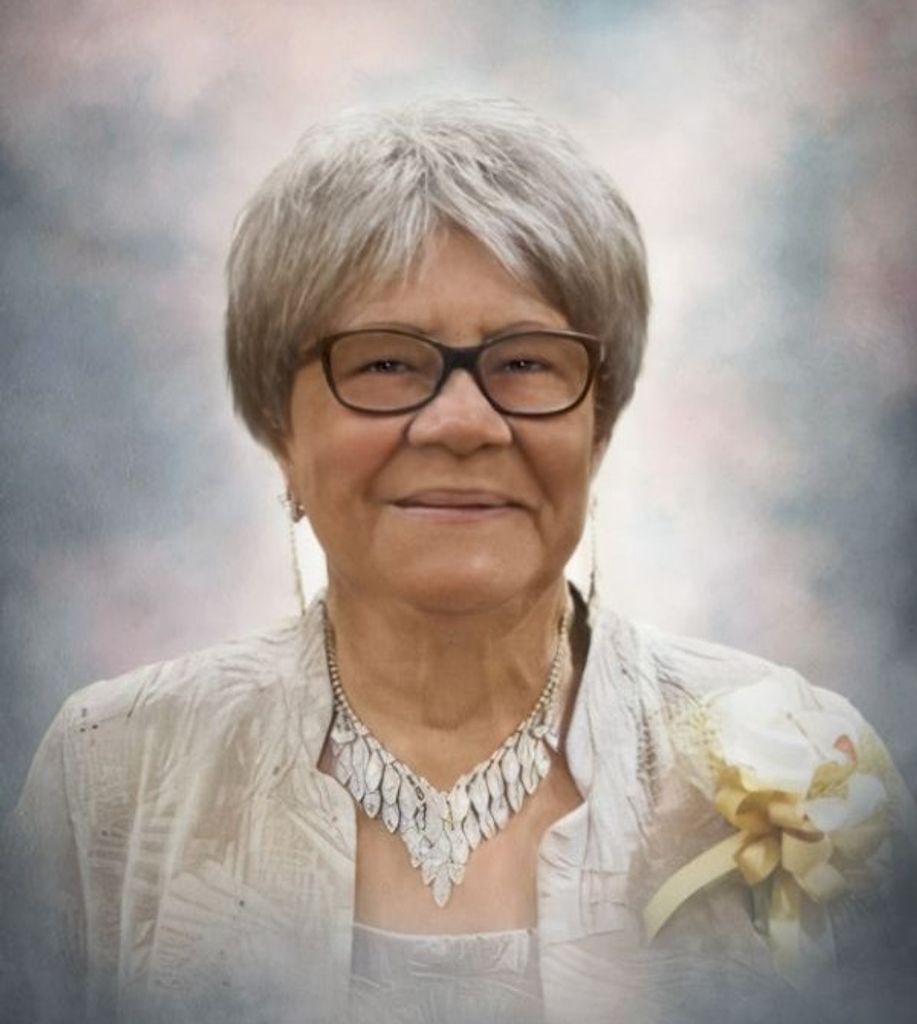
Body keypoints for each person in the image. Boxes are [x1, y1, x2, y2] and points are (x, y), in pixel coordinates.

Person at [5, 98, 915, 1024]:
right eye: (385, 363)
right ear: (280, 430)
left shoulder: (810, 768)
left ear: (597, 427)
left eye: (524, 363)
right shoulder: (109, 772)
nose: (462, 423)